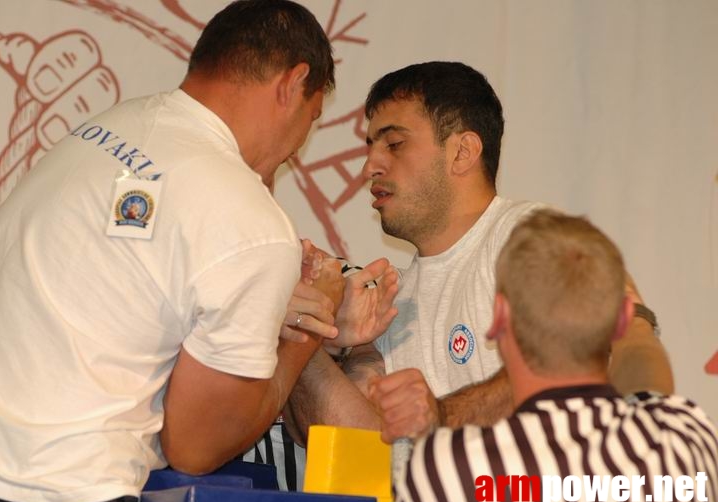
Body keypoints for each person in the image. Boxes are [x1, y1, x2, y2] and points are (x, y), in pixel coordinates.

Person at [0, 1, 345, 502]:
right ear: (293, 82)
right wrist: (311, 323)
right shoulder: (251, 221)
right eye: (314, 115)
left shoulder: (104, 129)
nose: (298, 145)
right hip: (56, 493)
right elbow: (196, 445)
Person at [287, 62, 672, 448]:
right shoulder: (391, 300)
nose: (370, 166)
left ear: (463, 152)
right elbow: (355, 443)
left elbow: (599, 353)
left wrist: (444, 415)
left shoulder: (531, 234)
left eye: (394, 144)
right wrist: (323, 332)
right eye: (370, 146)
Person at [376, 210, 717, 502]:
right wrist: (635, 319)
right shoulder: (688, 440)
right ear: (621, 321)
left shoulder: (453, 467)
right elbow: (646, 375)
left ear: (499, 318)